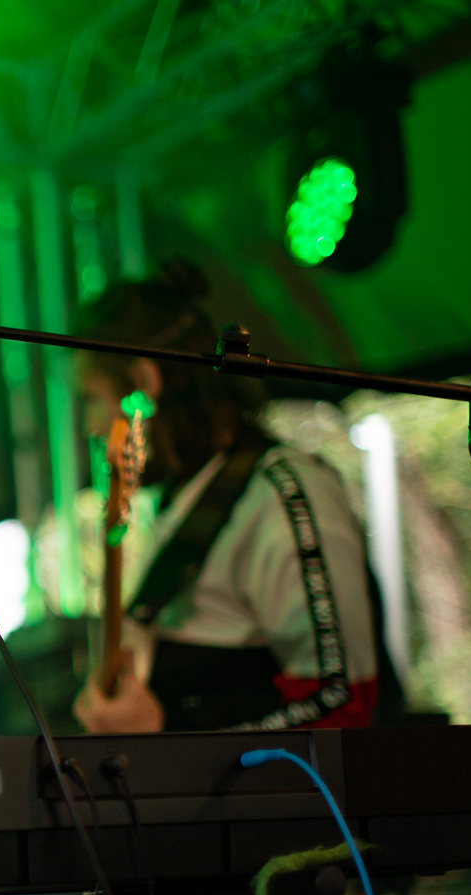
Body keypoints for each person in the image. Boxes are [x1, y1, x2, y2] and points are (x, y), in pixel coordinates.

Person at [70, 260, 384, 734]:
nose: (91, 426)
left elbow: (343, 702)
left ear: (145, 383)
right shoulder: (188, 498)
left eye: (92, 398)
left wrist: (166, 733)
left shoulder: (282, 493)